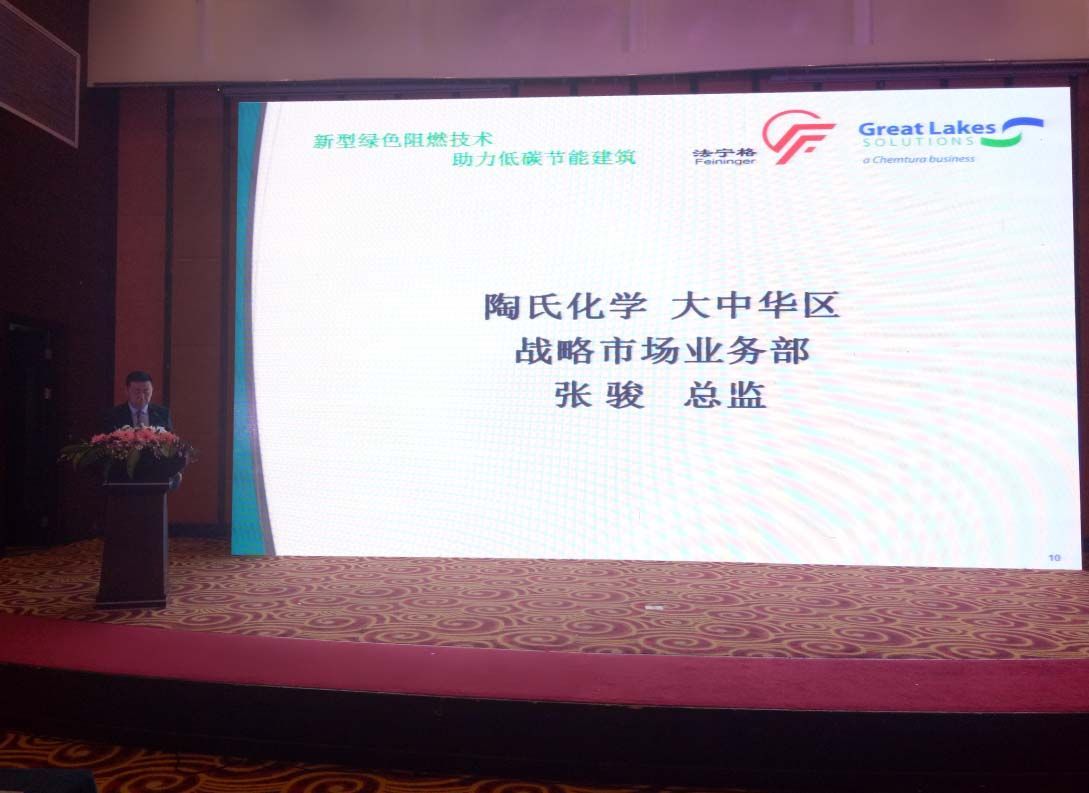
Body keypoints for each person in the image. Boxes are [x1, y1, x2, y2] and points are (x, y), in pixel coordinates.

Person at [104, 371, 173, 432]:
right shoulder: (113, 415)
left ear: (152, 390)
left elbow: (171, 440)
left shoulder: (162, 414)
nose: (142, 396)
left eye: (146, 391)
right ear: (127, 391)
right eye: (137, 391)